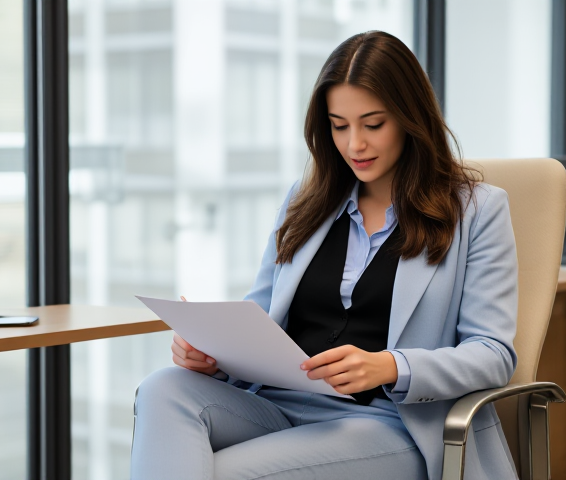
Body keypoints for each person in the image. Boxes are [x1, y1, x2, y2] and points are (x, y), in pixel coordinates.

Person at [130, 31, 518, 480]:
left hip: (388, 424)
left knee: (222, 473)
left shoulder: (477, 210)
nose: (355, 145)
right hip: (278, 404)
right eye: (339, 125)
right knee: (163, 388)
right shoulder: (307, 199)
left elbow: (493, 353)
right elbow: (260, 313)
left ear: (411, 118)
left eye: (373, 125)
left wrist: (389, 366)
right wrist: (214, 356)